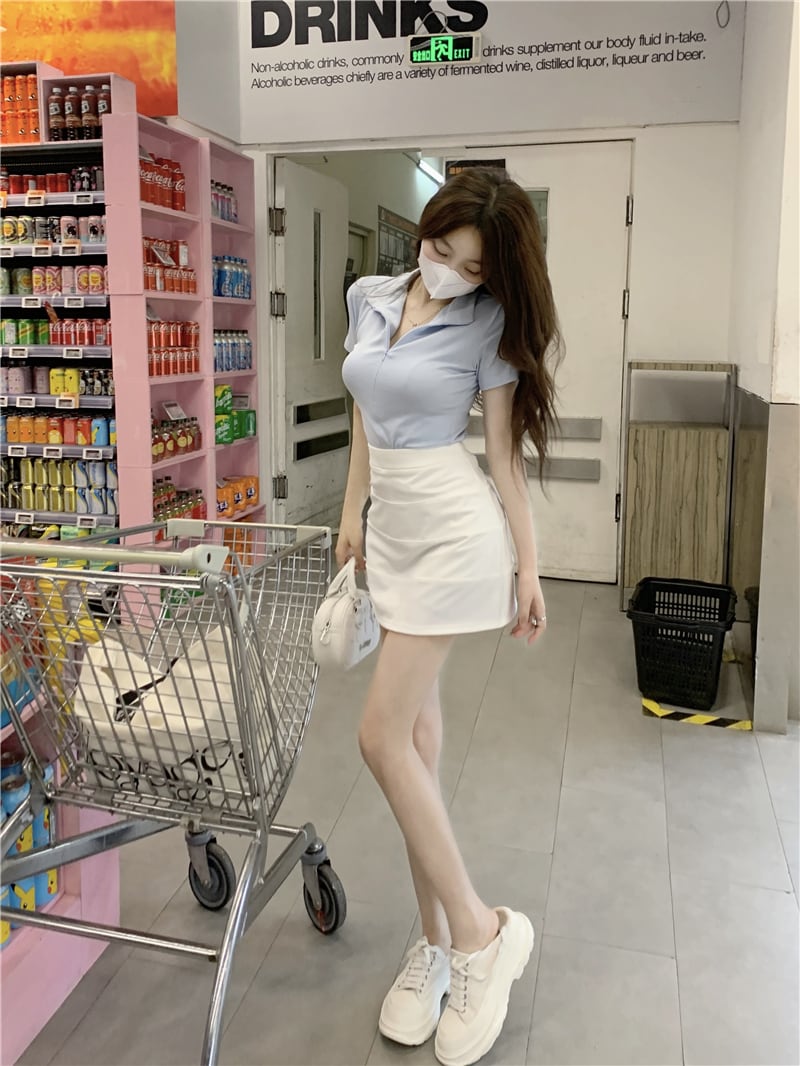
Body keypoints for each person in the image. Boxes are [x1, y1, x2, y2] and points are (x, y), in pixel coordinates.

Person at [337, 166, 560, 1066]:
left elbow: (503, 459)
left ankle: (479, 932)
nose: (451, 274)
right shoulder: (369, 296)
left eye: (472, 267)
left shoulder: (488, 324)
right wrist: (351, 511)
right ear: (421, 233)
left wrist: (530, 568)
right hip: (391, 527)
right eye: (440, 251)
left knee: (380, 739)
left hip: (454, 534)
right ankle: (432, 946)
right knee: (417, 749)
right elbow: (364, 412)